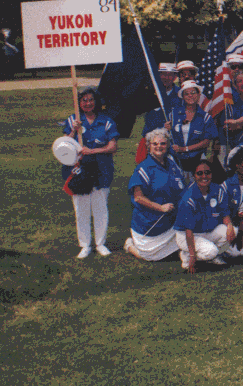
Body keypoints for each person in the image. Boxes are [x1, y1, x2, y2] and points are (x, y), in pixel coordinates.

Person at [61, 87, 119, 258]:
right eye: (84, 100)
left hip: (102, 170)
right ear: (79, 102)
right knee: (81, 208)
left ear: (97, 102)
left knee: (100, 207)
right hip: (79, 171)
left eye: (91, 99)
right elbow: (64, 145)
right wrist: (73, 131)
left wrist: (92, 151)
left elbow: (113, 146)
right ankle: (85, 245)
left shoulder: (107, 121)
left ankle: (100, 243)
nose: (88, 103)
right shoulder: (73, 120)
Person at [124, 128, 184, 261]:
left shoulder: (173, 164)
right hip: (150, 226)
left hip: (171, 221)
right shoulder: (143, 169)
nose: (159, 147)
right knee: (150, 257)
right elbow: (138, 197)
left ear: (168, 145)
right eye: (155, 144)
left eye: (162, 143)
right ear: (149, 146)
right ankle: (130, 246)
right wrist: (160, 207)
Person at [174, 159, 235, 273]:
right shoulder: (188, 198)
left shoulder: (218, 190)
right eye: (200, 173)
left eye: (207, 172)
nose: (204, 176)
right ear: (194, 176)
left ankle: (211, 256)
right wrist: (193, 256)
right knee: (210, 251)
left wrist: (230, 226)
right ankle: (188, 256)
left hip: (207, 231)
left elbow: (225, 214)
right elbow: (188, 231)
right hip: (188, 236)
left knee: (231, 232)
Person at [171, 80, 217, 182]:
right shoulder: (173, 114)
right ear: (182, 96)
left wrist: (184, 149)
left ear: (198, 94)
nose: (190, 96)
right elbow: (168, 135)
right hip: (176, 160)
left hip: (196, 159)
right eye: (186, 94)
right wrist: (166, 128)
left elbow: (206, 142)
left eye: (193, 93)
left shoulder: (205, 117)